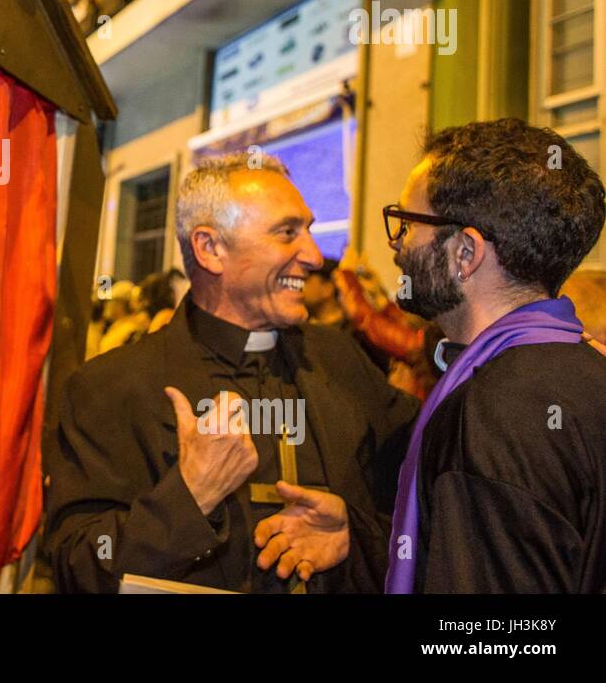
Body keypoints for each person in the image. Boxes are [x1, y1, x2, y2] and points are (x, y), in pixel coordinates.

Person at [45, 152, 419, 593]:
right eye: (287, 233)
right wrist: (187, 500)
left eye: (309, 231)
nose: (315, 256)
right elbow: (79, 566)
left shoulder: (339, 359)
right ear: (211, 248)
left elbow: (423, 492)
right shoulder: (109, 388)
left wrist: (355, 537)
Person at [384, 118, 606, 593]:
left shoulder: (496, 409)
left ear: (466, 253)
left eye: (409, 223)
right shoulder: (587, 368)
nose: (398, 244)